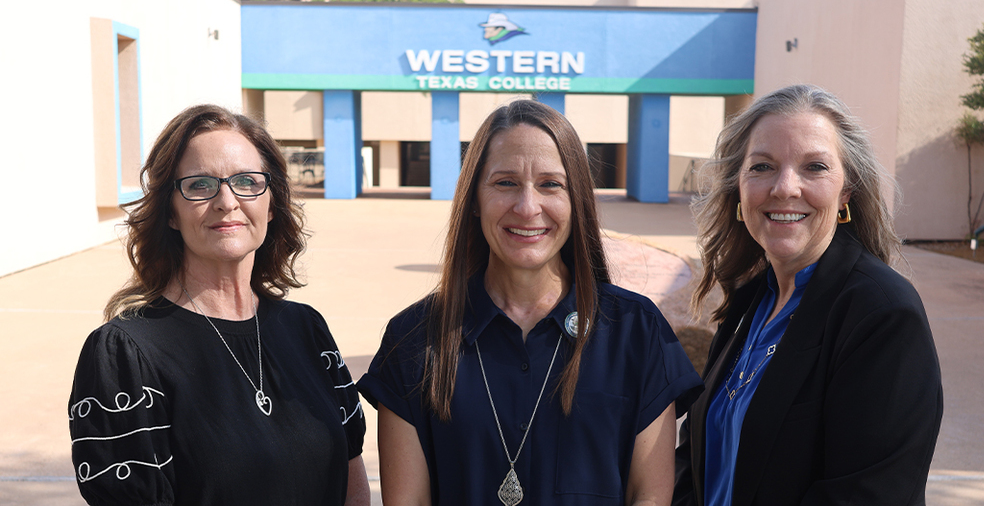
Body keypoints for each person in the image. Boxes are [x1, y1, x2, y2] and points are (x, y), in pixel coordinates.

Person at [357, 99, 703, 506]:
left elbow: (649, 496)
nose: (527, 207)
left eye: (551, 184)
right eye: (505, 183)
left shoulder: (637, 331)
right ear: (473, 199)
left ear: (578, 201)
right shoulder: (413, 339)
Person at [67, 105, 369, 506]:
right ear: (171, 213)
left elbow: (353, 483)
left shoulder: (307, 329)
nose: (227, 201)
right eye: (200, 185)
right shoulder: (126, 353)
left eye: (247, 181)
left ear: (272, 204)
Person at [673, 85, 943, 506]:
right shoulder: (749, 303)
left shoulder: (882, 314)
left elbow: (868, 494)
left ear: (846, 193)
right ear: (739, 190)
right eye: (762, 166)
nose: (784, 188)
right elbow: (695, 459)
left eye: (814, 167)